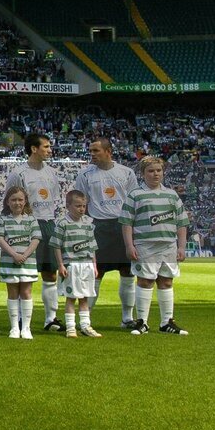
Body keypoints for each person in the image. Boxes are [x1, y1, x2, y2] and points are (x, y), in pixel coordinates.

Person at [73, 137, 139, 327]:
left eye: (96, 151)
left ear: (108, 151)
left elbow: (134, 201)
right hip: (98, 226)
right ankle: (86, 320)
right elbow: (80, 203)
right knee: (95, 272)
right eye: (91, 151)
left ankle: (127, 318)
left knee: (127, 272)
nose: (92, 154)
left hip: (123, 225)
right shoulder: (85, 175)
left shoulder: (126, 173)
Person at [121, 157, 190, 336]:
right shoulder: (135, 194)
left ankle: (167, 322)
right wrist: (129, 245)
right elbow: (126, 223)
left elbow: (182, 223)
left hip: (168, 246)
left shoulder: (172, 195)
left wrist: (181, 247)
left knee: (167, 281)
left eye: (158, 170)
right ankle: (142, 322)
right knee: (145, 281)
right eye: (151, 171)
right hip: (145, 245)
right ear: (143, 173)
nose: (155, 174)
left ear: (163, 172)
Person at [5, 133, 63, 331]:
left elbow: (53, 199)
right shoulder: (19, 173)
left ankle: (51, 319)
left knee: (50, 272)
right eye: (46, 147)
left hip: (48, 223)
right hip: (27, 225)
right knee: (23, 275)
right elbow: (11, 200)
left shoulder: (52, 172)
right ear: (33, 149)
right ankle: (20, 319)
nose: (49, 150)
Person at [50, 190, 101, 338]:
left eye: (83, 206)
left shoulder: (88, 224)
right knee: (71, 297)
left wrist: (95, 265)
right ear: (68, 206)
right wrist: (60, 265)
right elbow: (56, 246)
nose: (81, 209)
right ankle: (71, 327)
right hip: (71, 264)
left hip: (86, 265)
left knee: (85, 297)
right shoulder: (63, 224)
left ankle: (85, 325)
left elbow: (92, 247)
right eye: (78, 205)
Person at [0, 186, 41, 340]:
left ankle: (26, 328)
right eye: (13, 200)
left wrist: (24, 255)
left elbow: (35, 239)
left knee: (26, 293)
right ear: (8, 202)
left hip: (28, 262)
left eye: (20, 199)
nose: (17, 203)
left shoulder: (31, 219)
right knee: (12, 293)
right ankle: (14, 327)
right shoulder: (2, 219)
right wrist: (14, 254)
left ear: (25, 201)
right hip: (9, 262)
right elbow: (0, 239)